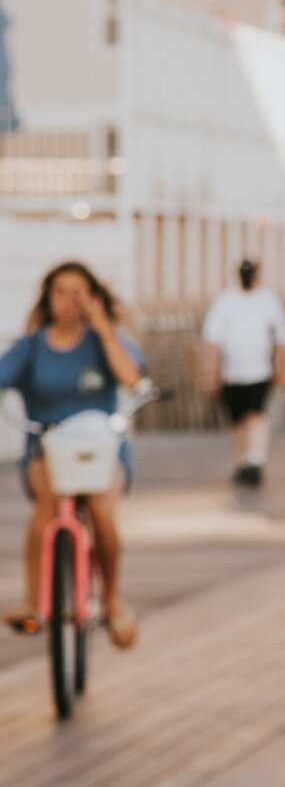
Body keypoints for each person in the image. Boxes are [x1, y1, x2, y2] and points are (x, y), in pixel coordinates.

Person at [0, 261, 146, 644]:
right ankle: (34, 601)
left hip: (100, 451)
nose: (68, 301)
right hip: (47, 450)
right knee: (48, 504)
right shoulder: (31, 346)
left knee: (100, 508)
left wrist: (102, 328)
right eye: (60, 291)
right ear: (48, 296)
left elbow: (131, 378)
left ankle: (111, 599)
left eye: (77, 292)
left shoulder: (106, 339)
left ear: (92, 297)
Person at [201, 258, 285, 487]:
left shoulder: (268, 300)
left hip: (259, 370)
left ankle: (256, 458)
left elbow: (281, 337)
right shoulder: (225, 300)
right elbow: (213, 339)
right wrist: (213, 370)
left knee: (256, 413)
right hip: (232, 372)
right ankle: (244, 459)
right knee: (237, 419)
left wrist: (280, 367)